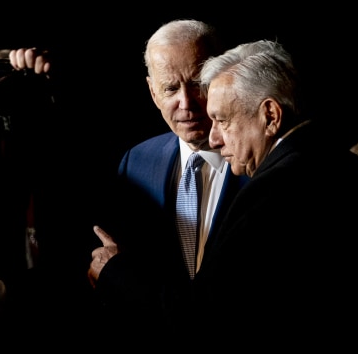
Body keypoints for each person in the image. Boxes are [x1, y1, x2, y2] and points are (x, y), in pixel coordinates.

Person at [194, 39, 358, 351]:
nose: (213, 139)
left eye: (222, 120)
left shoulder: (276, 188)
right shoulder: (353, 169)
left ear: (270, 115)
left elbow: (207, 315)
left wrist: (116, 274)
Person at [81, 19, 248, 345]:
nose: (186, 104)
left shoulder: (261, 161)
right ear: (152, 91)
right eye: (171, 88)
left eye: (197, 83)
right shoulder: (137, 163)